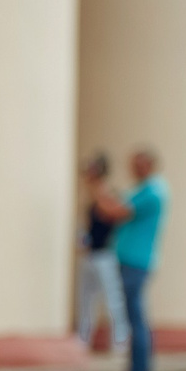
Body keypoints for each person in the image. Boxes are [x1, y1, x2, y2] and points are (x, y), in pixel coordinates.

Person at [106, 146, 168, 371]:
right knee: (134, 315)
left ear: (148, 164)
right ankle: (138, 368)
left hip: (137, 261)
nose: (132, 168)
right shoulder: (145, 189)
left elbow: (116, 211)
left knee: (135, 315)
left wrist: (96, 188)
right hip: (133, 260)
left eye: (137, 164)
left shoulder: (153, 190)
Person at [76, 151, 124, 353]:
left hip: (106, 255)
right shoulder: (91, 194)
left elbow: (111, 215)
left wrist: (97, 192)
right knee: (85, 301)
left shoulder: (108, 194)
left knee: (113, 300)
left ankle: (119, 342)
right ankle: (82, 340)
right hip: (91, 255)